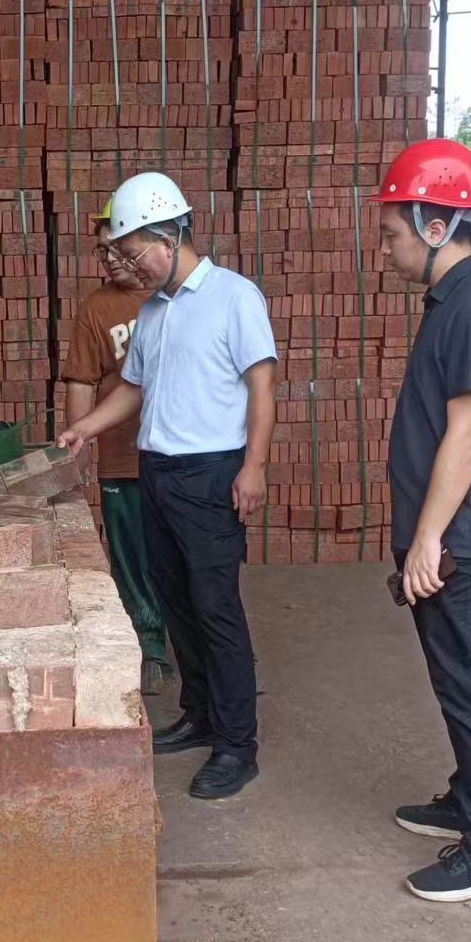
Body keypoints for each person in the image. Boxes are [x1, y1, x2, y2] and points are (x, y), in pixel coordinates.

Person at [57, 172, 277, 799]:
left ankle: (237, 745)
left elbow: (262, 384)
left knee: (216, 608)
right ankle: (199, 715)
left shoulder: (234, 297)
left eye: (134, 254)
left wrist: (254, 466)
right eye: (123, 257)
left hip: (211, 474)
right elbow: (133, 387)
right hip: (157, 473)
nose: (130, 267)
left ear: (170, 235)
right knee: (178, 603)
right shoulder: (153, 312)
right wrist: (86, 428)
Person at [374, 138, 471, 903]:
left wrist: (428, 540)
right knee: (454, 679)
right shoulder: (452, 302)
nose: (386, 249)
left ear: (436, 227)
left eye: (392, 234)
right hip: (447, 535)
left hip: (462, 539)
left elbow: (466, 435)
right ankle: (468, 801)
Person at [61, 197, 172, 695]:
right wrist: (79, 441)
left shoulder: (174, 299)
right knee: (131, 557)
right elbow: (81, 381)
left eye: (119, 249)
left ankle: (202, 647)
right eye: (102, 251)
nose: (110, 260)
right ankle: (148, 645)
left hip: (178, 457)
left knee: (181, 556)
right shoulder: (97, 307)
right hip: (122, 457)